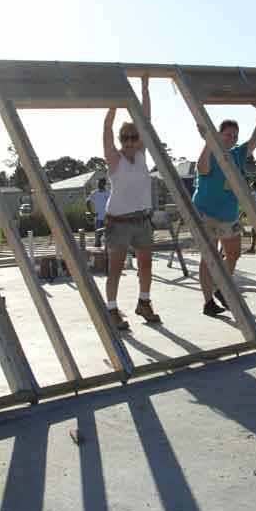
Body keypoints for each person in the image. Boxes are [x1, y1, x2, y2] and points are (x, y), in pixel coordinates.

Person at [193, 103, 256, 316]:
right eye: (227, 135)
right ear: (219, 135)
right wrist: (209, 141)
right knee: (209, 257)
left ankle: (221, 288)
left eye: (235, 136)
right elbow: (202, 168)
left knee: (233, 253)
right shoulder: (211, 151)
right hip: (206, 213)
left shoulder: (237, 154)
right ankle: (208, 302)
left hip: (229, 213)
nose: (232, 139)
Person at [101, 75, 161, 330]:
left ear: (138, 139)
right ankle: (112, 310)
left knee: (145, 265)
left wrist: (145, 87)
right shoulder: (115, 159)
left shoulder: (142, 155)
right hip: (119, 223)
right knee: (115, 268)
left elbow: (145, 119)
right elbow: (106, 129)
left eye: (133, 137)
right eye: (124, 137)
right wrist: (114, 105)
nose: (129, 141)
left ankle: (144, 303)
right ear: (120, 140)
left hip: (142, 220)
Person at [86, 177, 110, 248]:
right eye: (97, 183)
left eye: (99, 183)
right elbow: (87, 202)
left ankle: (107, 251)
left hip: (107, 218)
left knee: (108, 236)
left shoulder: (108, 193)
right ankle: (97, 249)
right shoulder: (94, 193)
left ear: (104, 184)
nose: (98, 185)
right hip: (98, 218)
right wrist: (91, 213)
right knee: (97, 236)